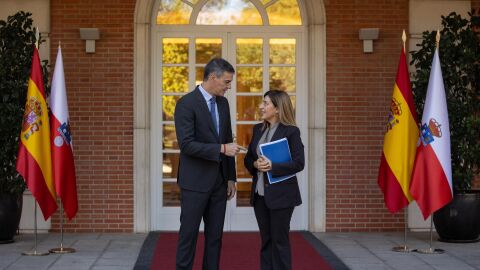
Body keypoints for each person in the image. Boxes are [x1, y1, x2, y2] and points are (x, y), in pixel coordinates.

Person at [174, 57, 241, 270]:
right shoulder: (186, 103)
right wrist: (221, 149)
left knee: (215, 239)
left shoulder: (223, 103)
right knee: (188, 236)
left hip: (219, 183)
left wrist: (230, 178)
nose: (229, 87)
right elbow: (187, 145)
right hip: (194, 183)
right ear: (213, 77)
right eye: (227, 82)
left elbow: (227, 139)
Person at [243, 90, 305, 270]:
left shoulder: (291, 131)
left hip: (282, 196)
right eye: (262, 103)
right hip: (260, 196)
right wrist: (255, 163)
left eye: (266, 103)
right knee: (266, 241)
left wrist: (273, 166)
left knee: (280, 242)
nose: (261, 107)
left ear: (278, 109)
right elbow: (248, 159)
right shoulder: (258, 129)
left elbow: (299, 163)